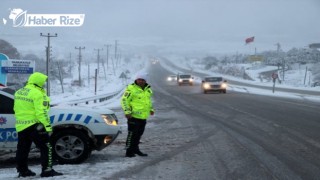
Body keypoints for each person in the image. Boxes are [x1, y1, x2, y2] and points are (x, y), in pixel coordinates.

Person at [13, 72, 63, 177]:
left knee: (22, 149)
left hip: (21, 126)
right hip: (35, 126)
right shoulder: (38, 94)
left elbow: (15, 109)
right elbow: (42, 113)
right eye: (43, 82)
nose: (44, 84)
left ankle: (23, 171)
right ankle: (47, 170)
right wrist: (48, 127)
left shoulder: (19, 92)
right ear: (38, 81)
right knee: (47, 147)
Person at [121, 72, 154, 157]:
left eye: (142, 80)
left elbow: (148, 101)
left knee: (138, 135)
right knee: (132, 135)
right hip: (133, 117)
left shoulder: (148, 90)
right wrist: (127, 112)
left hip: (143, 117)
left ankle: (136, 149)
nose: (140, 81)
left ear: (145, 81)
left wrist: (151, 109)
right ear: (136, 79)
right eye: (139, 79)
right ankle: (129, 152)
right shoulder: (131, 89)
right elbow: (124, 100)